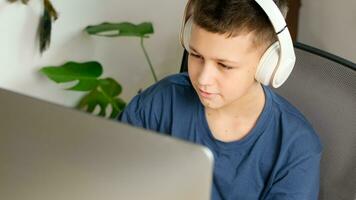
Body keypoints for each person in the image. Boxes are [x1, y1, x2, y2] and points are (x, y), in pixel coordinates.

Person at [118, 0, 322, 199]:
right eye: (196, 55)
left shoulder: (296, 147)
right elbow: (110, 170)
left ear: (267, 67)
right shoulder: (162, 101)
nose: (203, 79)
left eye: (224, 65)